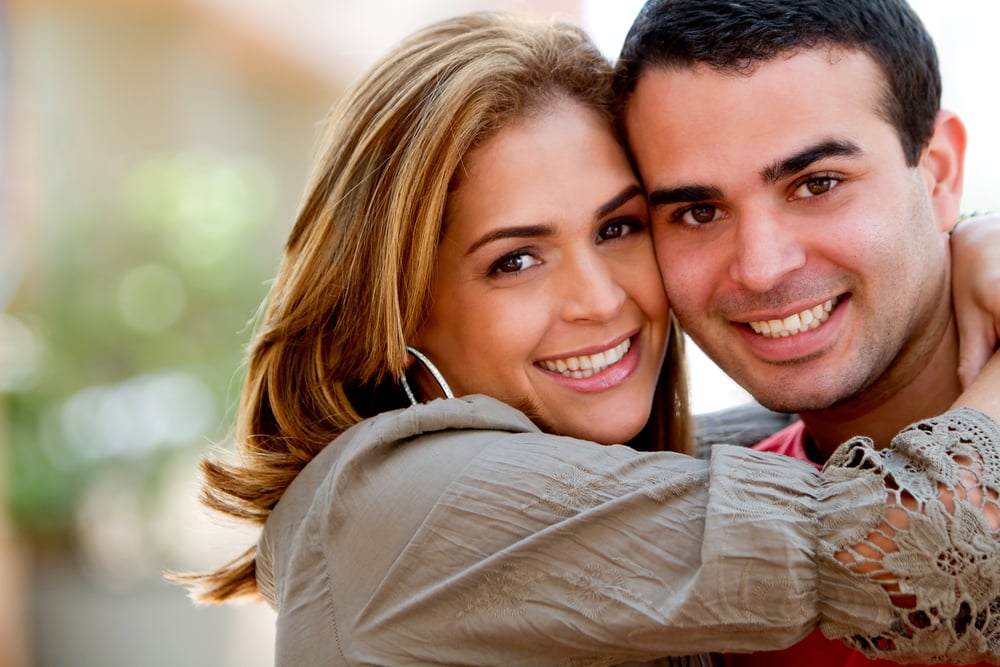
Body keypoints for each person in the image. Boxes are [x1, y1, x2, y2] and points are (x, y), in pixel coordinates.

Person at [174, 11, 1000, 666]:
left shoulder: (686, 484)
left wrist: (966, 241)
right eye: (515, 260)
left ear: (937, 170)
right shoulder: (404, 508)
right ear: (401, 306)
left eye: (618, 228)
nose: (601, 301)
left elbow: (787, 444)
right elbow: (924, 542)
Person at [615, 0, 1000, 665]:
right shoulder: (717, 546)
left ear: (939, 172)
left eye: (817, 183)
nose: (761, 268)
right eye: (699, 212)